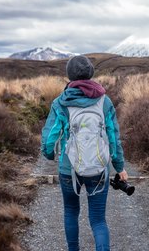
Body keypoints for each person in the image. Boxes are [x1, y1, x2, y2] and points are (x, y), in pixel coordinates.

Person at [41, 55, 127, 251]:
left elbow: (49, 138)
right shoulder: (104, 102)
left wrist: (48, 154)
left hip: (68, 169)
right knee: (98, 220)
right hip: (98, 168)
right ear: (90, 74)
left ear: (69, 75)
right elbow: (113, 138)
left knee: (71, 211)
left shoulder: (60, 102)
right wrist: (119, 167)